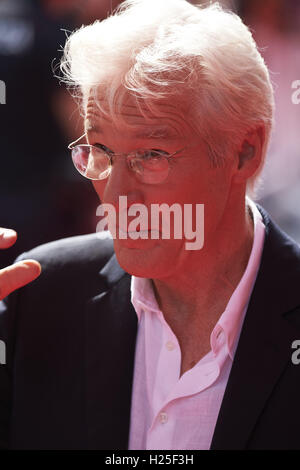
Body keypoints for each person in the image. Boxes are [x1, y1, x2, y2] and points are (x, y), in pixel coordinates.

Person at [1, 0, 300, 450]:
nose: (117, 196)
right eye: (99, 149)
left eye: (151, 156)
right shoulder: (39, 294)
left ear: (245, 152)